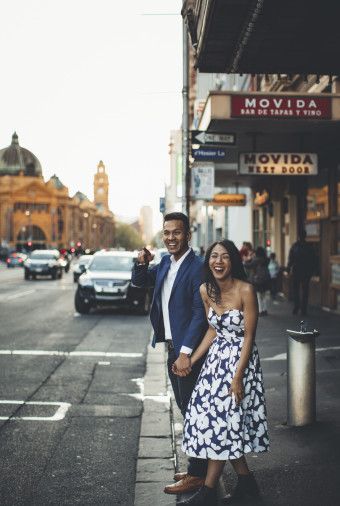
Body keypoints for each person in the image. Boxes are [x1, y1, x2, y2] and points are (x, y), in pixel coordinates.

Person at [176, 240, 269, 505]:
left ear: (233, 262)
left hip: (241, 362)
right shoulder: (206, 290)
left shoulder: (246, 290)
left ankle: (207, 492)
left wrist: (238, 377)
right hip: (215, 363)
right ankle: (247, 484)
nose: (218, 261)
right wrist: (192, 360)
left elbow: (250, 337)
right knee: (215, 421)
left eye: (225, 257)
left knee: (223, 423)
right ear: (209, 262)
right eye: (214, 256)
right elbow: (212, 330)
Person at [131, 212, 209, 495]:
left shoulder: (197, 266)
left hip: (187, 352)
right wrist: (142, 262)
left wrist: (186, 353)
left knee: (193, 411)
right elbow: (141, 282)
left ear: (188, 235)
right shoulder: (165, 262)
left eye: (177, 232)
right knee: (186, 408)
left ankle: (198, 474)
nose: (171, 238)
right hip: (172, 348)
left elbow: (201, 314)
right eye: (166, 233)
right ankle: (198, 467)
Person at [287, 230, 316, 316]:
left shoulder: (295, 246)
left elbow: (290, 258)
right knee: (305, 290)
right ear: (305, 236)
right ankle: (303, 308)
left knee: (296, 289)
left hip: (297, 270)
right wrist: (313, 270)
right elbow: (313, 259)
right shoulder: (309, 246)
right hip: (306, 271)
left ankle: (297, 306)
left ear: (299, 236)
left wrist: (288, 268)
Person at [245, 246, 271, 316]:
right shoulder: (266, 259)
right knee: (264, 295)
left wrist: (246, 260)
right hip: (266, 279)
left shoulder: (256, 259)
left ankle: (260, 310)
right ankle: (265, 310)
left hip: (258, 280)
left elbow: (249, 266)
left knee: (258, 296)